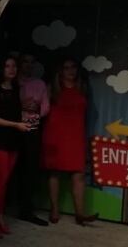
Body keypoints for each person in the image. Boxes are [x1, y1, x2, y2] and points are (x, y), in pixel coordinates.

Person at [42, 57, 98, 226]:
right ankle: (54, 209)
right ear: (60, 71)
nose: (70, 71)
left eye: (73, 67)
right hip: (55, 134)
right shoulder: (52, 88)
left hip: (76, 136)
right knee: (54, 172)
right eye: (66, 68)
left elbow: (90, 113)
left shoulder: (83, 88)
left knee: (79, 174)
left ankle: (80, 213)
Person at [0, 55, 29, 239]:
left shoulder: (16, 89)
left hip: (13, 140)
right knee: (0, 182)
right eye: (7, 66)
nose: (12, 69)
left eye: (14, 66)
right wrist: (15, 124)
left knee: (5, 182)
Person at [15, 53, 50, 226]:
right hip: (12, 129)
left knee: (30, 171)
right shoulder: (13, 82)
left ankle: (26, 209)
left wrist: (35, 111)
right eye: (25, 62)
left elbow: (45, 107)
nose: (28, 65)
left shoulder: (39, 84)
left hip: (32, 130)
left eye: (31, 62)